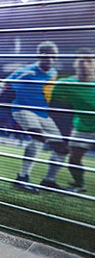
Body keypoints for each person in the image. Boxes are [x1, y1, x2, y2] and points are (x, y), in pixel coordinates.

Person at [0, 41, 67, 193]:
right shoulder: (27, 72)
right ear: (39, 56)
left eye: (53, 57)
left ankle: (49, 181)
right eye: (46, 56)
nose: (50, 60)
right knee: (38, 138)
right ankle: (22, 178)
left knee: (62, 148)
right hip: (22, 110)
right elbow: (3, 84)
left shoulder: (53, 73)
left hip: (42, 113)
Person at [43, 48, 95, 193]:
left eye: (89, 61)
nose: (85, 63)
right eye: (81, 60)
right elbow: (45, 95)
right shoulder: (65, 83)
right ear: (75, 64)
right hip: (82, 127)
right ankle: (80, 185)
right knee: (73, 159)